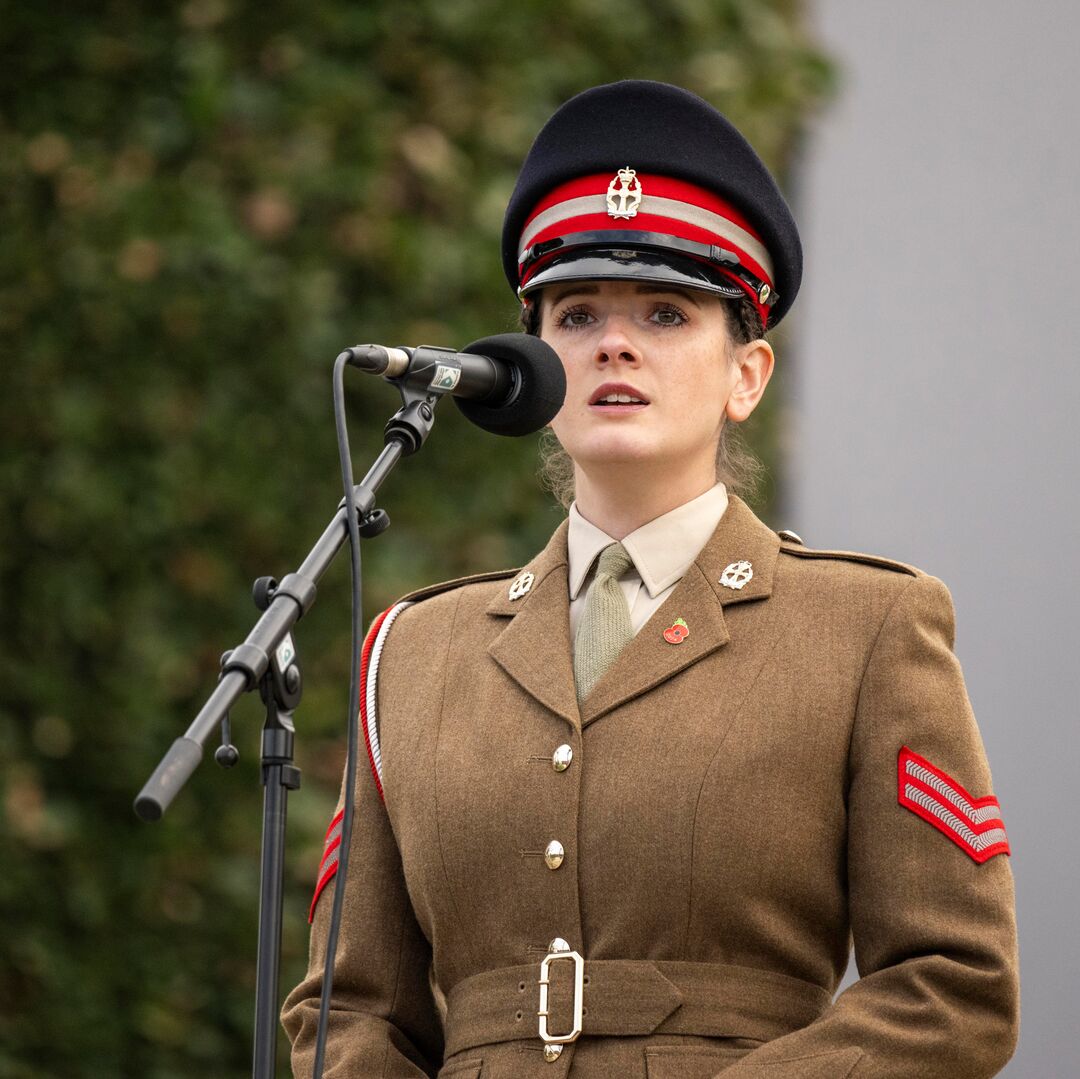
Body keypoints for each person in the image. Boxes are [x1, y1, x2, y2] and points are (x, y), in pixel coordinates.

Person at [282, 81, 1019, 1078]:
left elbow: (953, 983)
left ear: (746, 376)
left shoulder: (869, 626)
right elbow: (349, 1006)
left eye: (667, 313)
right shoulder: (410, 656)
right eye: (577, 313)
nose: (614, 342)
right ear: (535, 368)